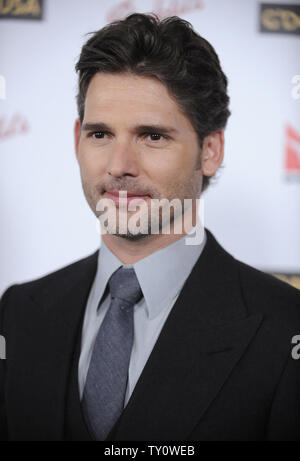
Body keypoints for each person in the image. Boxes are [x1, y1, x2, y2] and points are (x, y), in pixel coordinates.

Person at [0, 13, 300, 442]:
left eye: (152, 136)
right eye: (101, 134)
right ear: (76, 141)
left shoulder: (285, 328)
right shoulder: (19, 312)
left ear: (210, 151)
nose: (119, 166)